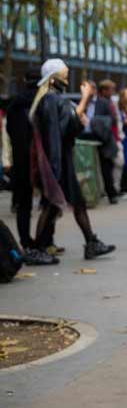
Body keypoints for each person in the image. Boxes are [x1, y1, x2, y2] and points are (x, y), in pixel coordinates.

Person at [29, 59, 116, 259]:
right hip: (57, 162)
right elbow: (59, 131)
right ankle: (37, 249)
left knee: (76, 203)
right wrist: (84, 101)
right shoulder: (51, 99)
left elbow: (67, 129)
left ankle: (90, 242)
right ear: (52, 78)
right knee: (52, 206)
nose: (67, 79)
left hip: (61, 160)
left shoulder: (54, 98)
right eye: (64, 75)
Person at [5, 67, 56, 264]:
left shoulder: (14, 105)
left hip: (21, 160)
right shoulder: (43, 102)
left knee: (23, 204)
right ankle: (44, 243)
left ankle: (26, 243)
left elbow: (10, 131)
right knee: (49, 202)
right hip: (42, 159)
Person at [77, 80, 119, 204]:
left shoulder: (104, 103)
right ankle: (86, 195)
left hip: (102, 139)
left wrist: (92, 122)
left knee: (106, 168)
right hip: (84, 138)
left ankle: (111, 194)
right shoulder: (81, 103)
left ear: (94, 90)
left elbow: (112, 120)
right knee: (84, 168)